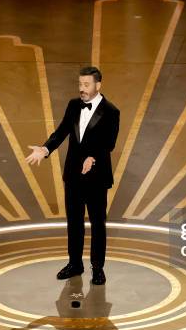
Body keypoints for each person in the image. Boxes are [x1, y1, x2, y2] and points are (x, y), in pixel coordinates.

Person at [25, 66, 120, 285]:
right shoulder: (73, 105)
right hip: (74, 176)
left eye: (86, 85)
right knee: (74, 222)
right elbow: (61, 132)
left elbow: (110, 143)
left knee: (98, 224)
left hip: (96, 178)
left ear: (98, 85)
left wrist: (92, 156)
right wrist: (45, 149)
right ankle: (75, 264)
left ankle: (98, 268)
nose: (82, 89)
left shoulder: (112, 111)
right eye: (80, 84)